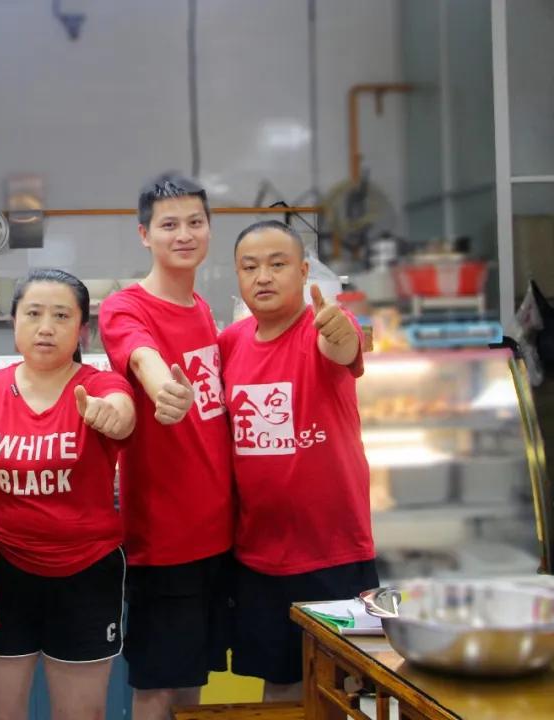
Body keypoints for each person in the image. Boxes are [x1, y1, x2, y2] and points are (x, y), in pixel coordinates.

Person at [0, 268, 135, 720]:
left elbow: (122, 412)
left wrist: (113, 415)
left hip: (87, 574)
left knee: (82, 715)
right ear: (14, 322)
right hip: (0, 574)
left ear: (82, 330)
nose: (46, 327)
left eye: (61, 316)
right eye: (33, 314)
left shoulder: (100, 386)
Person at [219, 220, 377, 701]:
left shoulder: (324, 325)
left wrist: (339, 330)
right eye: (250, 267)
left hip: (333, 552)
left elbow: (342, 345)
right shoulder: (231, 342)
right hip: (258, 555)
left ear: (304, 271)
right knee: (280, 687)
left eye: (277, 264)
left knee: (344, 688)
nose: (263, 276)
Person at [98, 172, 233, 719]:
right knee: (156, 687)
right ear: (144, 234)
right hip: (165, 539)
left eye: (195, 222)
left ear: (209, 229)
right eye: (169, 224)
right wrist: (164, 390)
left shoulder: (202, 308)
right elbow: (141, 354)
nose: (184, 234)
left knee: (192, 681)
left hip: (219, 534)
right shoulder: (125, 306)